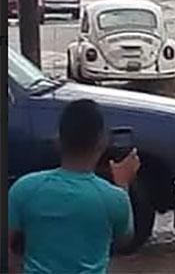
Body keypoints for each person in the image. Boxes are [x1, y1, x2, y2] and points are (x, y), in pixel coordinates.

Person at [8, 99, 141, 274]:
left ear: (58, 139)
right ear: (101, 142)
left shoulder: (25, 188)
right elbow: (124, 240)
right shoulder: (113, 198)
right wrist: (123, 184)